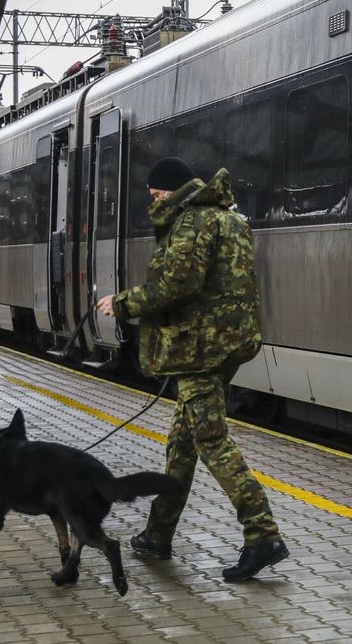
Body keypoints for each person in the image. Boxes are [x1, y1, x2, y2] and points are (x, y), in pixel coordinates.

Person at [96, 156, 288, 583]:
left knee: (211, 441)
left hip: (199, 350)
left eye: (158, 192)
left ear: (175, 189)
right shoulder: (230, 219)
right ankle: (158, 534)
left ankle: (262, 535)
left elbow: (177, 284)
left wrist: (122, 303)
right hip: (227, 345)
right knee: (181, 444)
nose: (155, 199)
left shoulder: (192, 222)